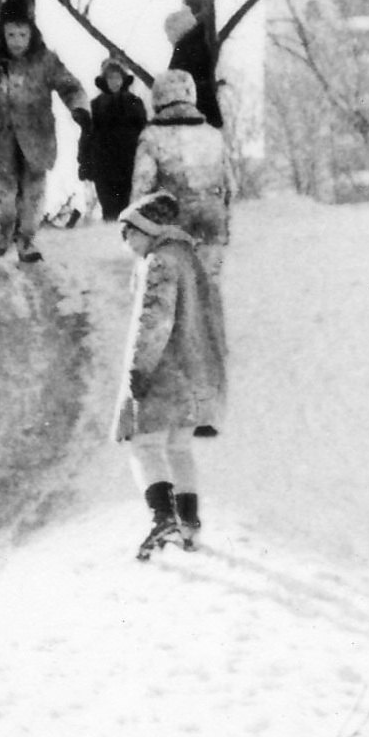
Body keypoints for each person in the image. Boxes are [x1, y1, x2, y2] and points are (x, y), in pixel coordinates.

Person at [112, 189, 228, 559]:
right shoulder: (192, 260)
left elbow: (154, 321)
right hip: (197, 373)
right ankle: (189, 523)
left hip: (165, 371)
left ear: (146, 228)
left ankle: (162, 518)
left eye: (128, 232)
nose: (126, 243)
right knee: (178, 447)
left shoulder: (159, 262)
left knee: (143, 445)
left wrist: (138, 369)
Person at [0, 0, 90, 262]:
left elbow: (70, 86)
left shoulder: (45, 61)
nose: (17, 41)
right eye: (11, 35)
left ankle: (27, 239)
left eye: (22, 34)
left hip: (37, 137)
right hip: (1, 139)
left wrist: (79, 108)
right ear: (2, 35)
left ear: (31, 33)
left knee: (33, 193)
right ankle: (5, 229)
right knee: (5, 198)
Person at [130, 66, 237, 267]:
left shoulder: (151, 136)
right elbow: (231, 187)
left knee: (175, 283)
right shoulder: (213, 135)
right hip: (212, 217)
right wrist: (226, 223)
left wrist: (136, 230)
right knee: (209, 281)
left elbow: (142, 186)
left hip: (174, 219)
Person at [79, 56, 149, 220]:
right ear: (104, 80)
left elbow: (145, 134)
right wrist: (85, 164)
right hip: (104, 167)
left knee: (131, 210)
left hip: (129, 164)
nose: (114, 82)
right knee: (110, 212)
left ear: (124, 79)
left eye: (118, 77)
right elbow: (86, 137)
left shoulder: (135, 103)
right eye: (110, 77)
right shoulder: (95, 106)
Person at [162, 4, 223, 128]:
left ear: (178, 29)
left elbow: (176, 82)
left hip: (191, 115)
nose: (168, 38)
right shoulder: (198, 45)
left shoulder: (185, 50)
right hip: (205, 113)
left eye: (169, 32)